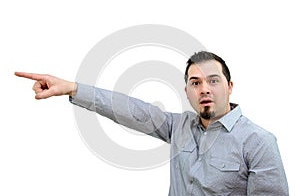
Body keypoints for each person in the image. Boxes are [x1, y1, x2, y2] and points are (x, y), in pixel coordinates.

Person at [15, 51, 289, 195]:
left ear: (229, 87)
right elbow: (132, 110)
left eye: (213, 81)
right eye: (196, 82)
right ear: (187, 92)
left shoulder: (259, 142)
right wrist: (73, 88)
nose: (204, 89)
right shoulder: (178, 127)